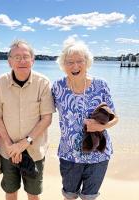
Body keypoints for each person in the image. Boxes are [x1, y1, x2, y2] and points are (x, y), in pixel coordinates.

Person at [51, 38, 119, 200]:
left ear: (87, 62)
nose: (75, 66)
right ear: (63, 65)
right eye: (70, 62)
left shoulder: (101, 85)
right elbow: (42, 111)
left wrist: (101, 127)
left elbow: (115, 117)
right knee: (69, 195)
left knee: (90, 197)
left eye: (80, 61)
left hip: (98, 154)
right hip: (69, 154)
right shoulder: (57, 87)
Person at [0, 40, 55, 200]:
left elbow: (47, 118)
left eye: (26, 57)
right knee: (10, 192)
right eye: (17, 57)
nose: (21, 61)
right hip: (8, 150)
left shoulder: (43, 82)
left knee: (33, 194)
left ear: (32, 60)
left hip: (34, 151)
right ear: (9, 62)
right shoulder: (0, 82)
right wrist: (9, 145)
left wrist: (25, 143)